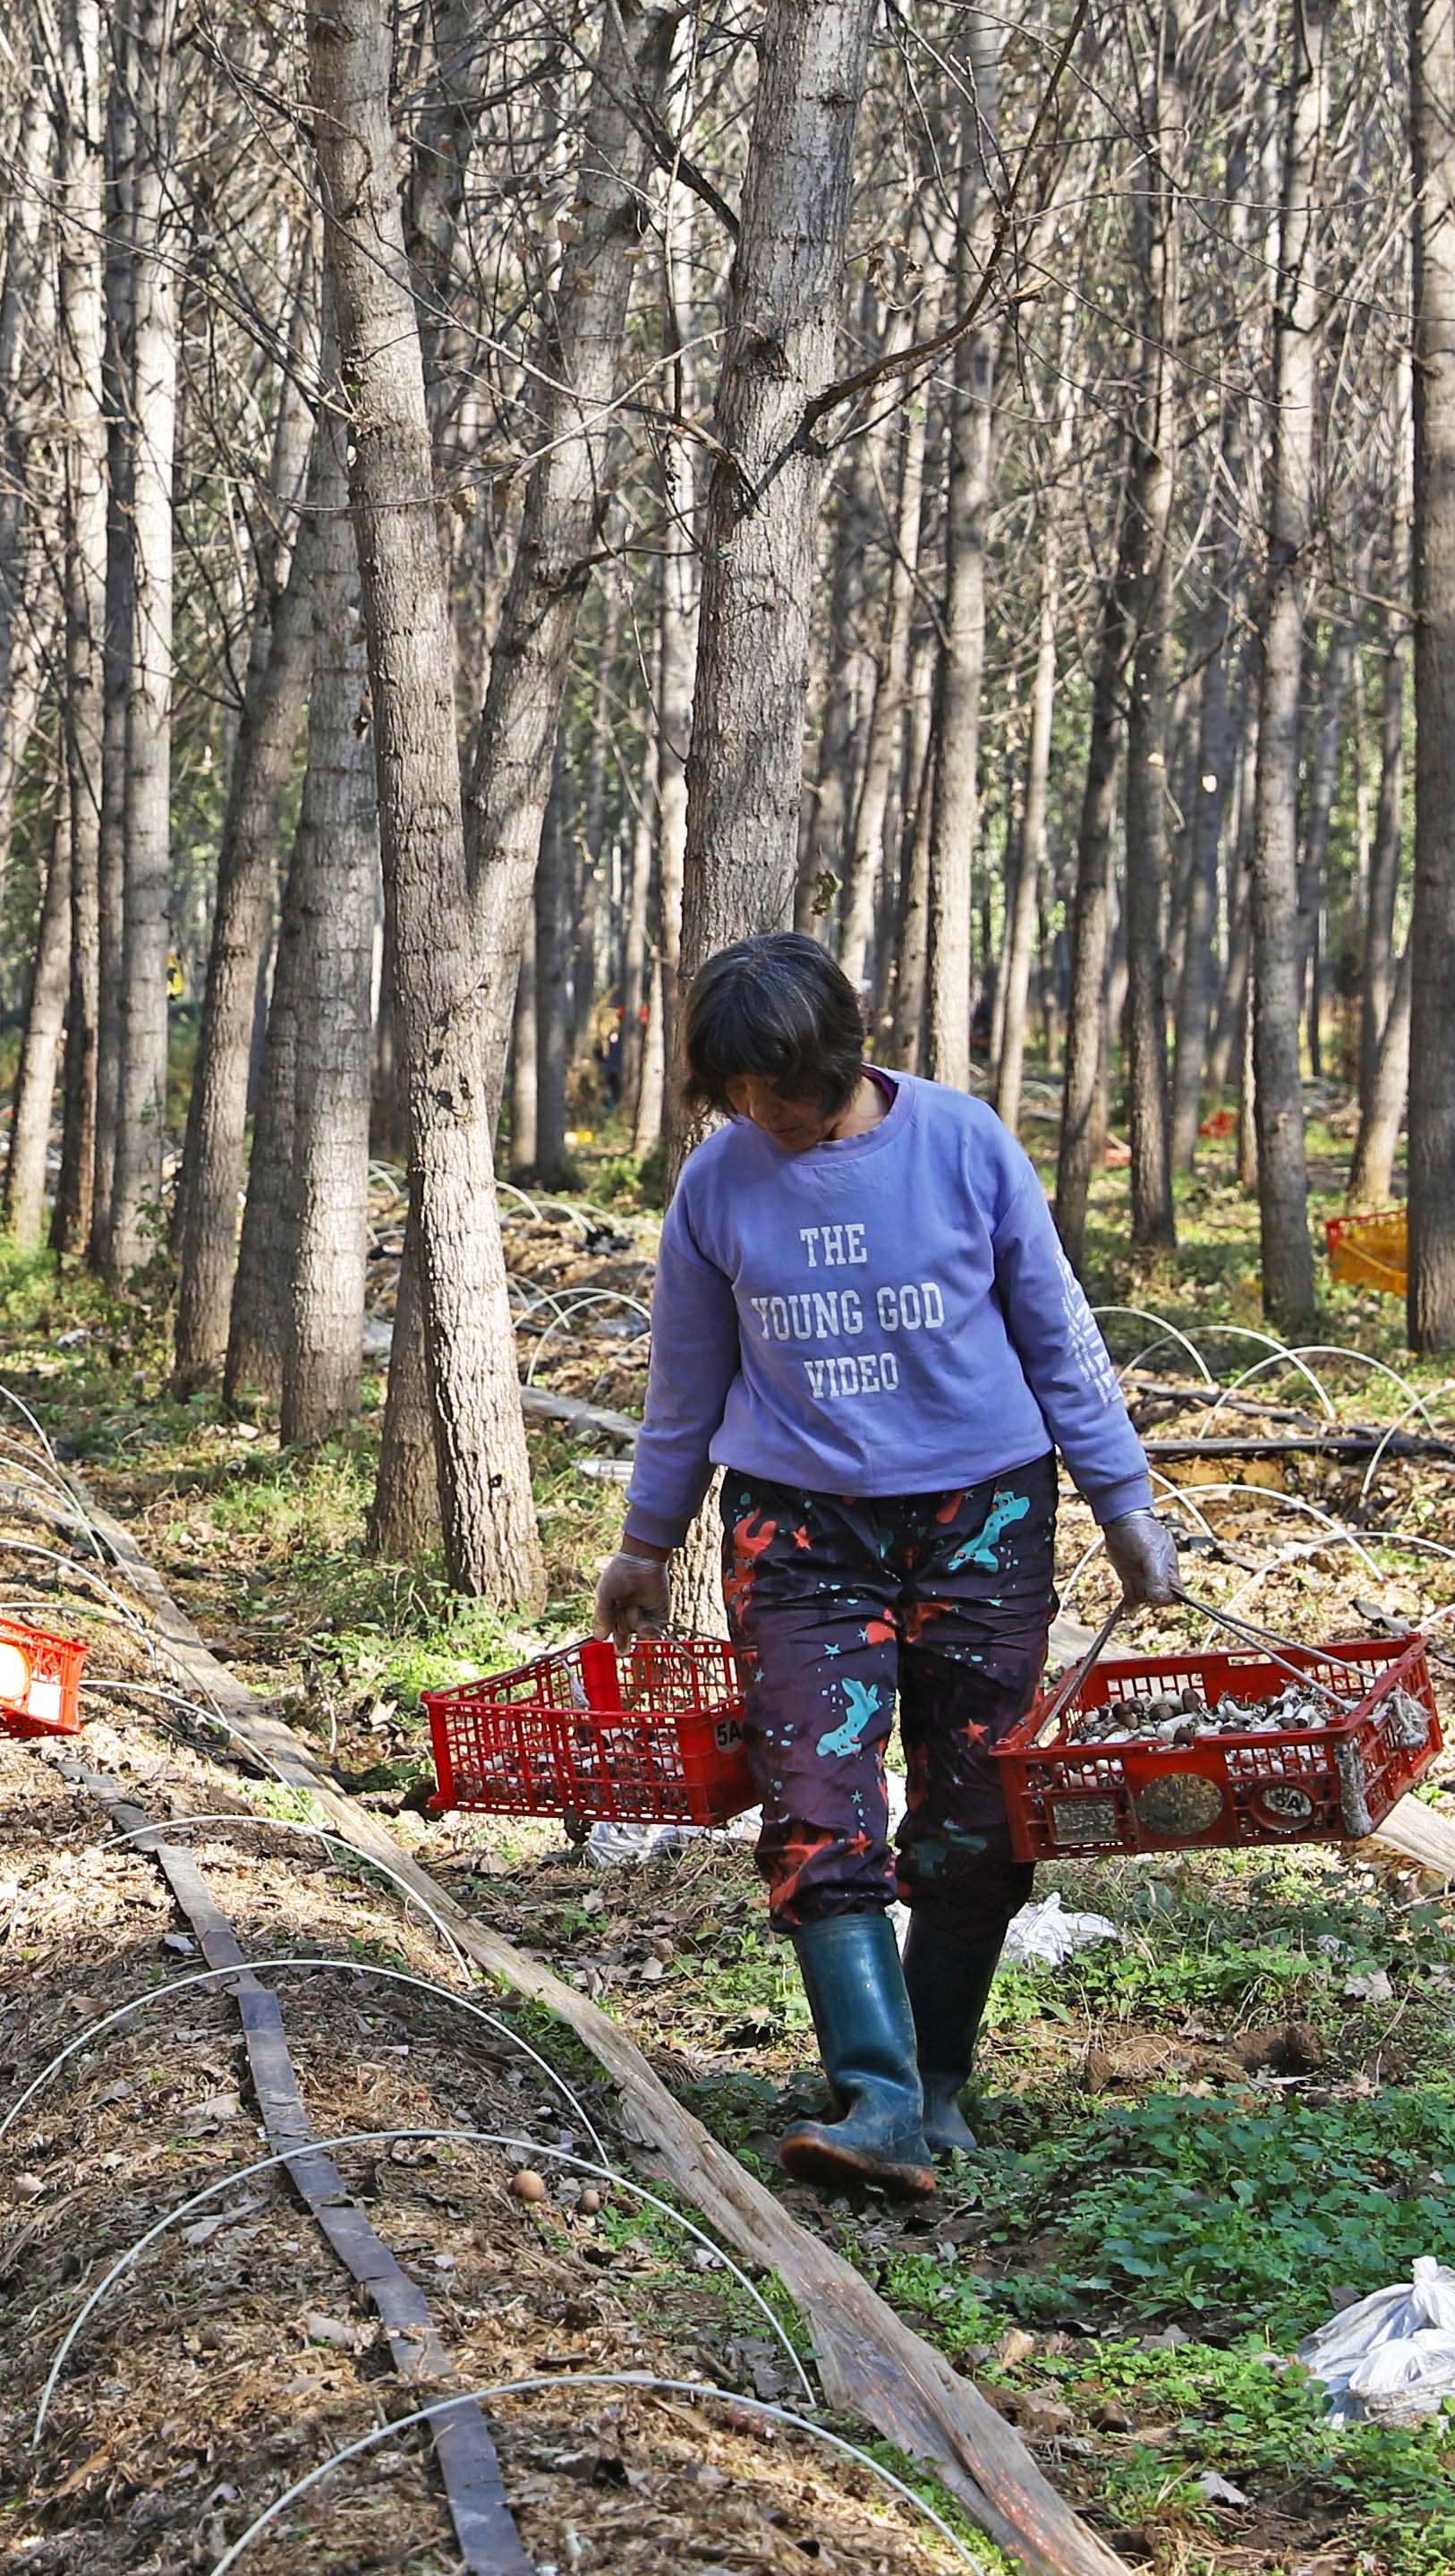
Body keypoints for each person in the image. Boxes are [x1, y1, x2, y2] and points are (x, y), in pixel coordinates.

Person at [603, 934, 1177, 2199]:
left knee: (976, 1812)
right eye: (739, 1095)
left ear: (839, 1058)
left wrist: (1124, 1505)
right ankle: (875, 2092)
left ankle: (940, 2080)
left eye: (782, 1091)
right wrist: (646, 1544)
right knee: (815, 1802)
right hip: (800, 1532)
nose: (767, 1117)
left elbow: (1056, 1330)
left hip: (983, 1519)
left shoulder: (964, 1147)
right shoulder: (717, 1186)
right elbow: (683, 1386)